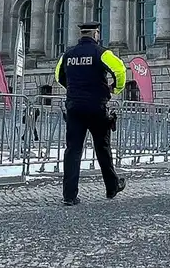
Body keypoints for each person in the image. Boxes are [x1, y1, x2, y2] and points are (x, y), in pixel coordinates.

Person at [54, 20, 128, 206]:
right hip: (96, 107)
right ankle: (111, 187)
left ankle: (69, 195)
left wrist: (73, 89)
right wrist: (115, 88)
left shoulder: (67, 54)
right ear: (96, 34)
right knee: (102, 148)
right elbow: (120, 70)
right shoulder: (101, 52)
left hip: (74, 107)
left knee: (73, 150)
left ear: (81, 34)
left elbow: (58, 76)